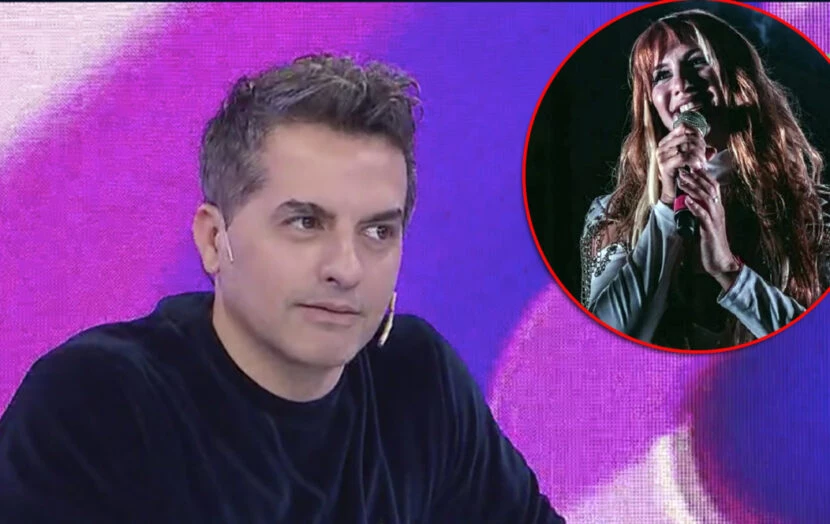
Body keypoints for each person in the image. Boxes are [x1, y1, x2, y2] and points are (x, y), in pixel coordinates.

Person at [0, 54, 565, 523]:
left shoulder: (416, 382)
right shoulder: (96, 402)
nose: (346, 268)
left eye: (377, 231)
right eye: (305, 222)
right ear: (214, 239)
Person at [580, 9, 830, 349]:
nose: (682, 84)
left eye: (697, 62)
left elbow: (818, 350)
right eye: (661, 75)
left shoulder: (814, 209)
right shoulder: (613, 213)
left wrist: (729, 271)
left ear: (737, 77)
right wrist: (666, 210)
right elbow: (604, 343)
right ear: (650, 101)